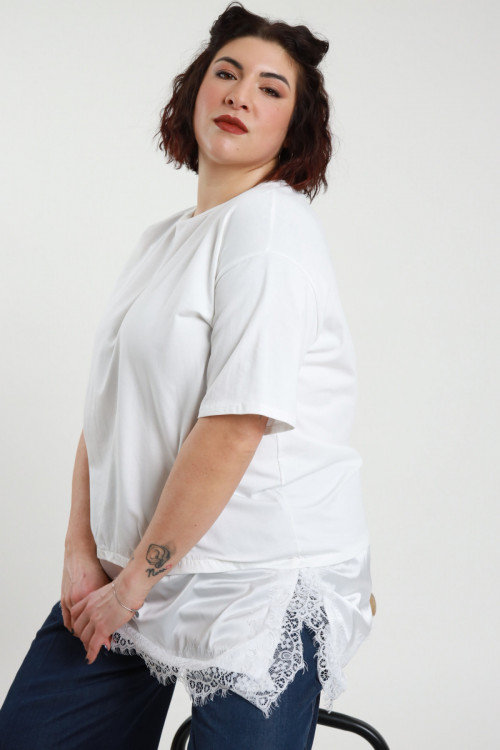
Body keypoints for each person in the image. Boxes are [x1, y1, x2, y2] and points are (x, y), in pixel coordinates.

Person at [0, 3, 373, 748]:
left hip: (254, 582)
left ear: (295, 128)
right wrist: (82, 554)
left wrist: (132, 584)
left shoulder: (270, 231)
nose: (240, 95)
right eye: (226, 74)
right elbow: (108, 413)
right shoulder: (164, 240)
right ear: (195, 91)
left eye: (270, 88)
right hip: (138, 569)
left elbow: (234, 426)